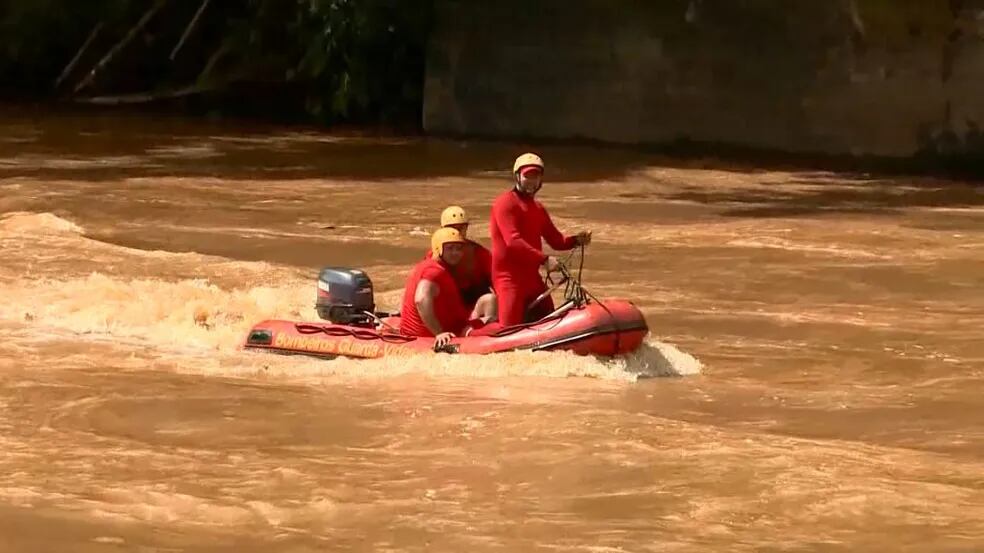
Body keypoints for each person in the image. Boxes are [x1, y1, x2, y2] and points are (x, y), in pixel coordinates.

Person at [489, 153, 592, 326]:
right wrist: (544, 260)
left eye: (536, 176)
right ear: (517, 176)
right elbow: (513, 242)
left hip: (532, 278)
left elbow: (556, 241)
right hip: (509, 279)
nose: (532, 180)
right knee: (508, 331)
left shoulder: (538, 208)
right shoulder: (505, 203)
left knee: (552, 322)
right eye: (527, 175)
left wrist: (576, 240)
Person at [400, 227, 496, 348]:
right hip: (435, 334)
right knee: (495, 326)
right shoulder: (433, 271)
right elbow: (421, 299)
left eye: (459, 248)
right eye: (450, 248)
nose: (455, 253)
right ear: (438, 249)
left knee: (490, 309)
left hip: (451, 326)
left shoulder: (433, 266)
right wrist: (439, 333)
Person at [424, 206, 494, 312]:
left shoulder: (479, 253)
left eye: (461, 228)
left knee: (491, 299)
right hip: (449, 300)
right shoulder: (434, 254)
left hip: (474, 300)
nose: (457, 232)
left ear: (466, 228)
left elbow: (496, 278)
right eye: (452, 228)